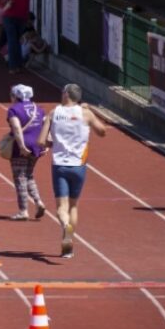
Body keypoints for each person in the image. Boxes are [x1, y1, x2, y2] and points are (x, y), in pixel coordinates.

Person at [38, 83, 107, 258]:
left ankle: (65, 226)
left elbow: (41, 141)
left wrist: (53, 144)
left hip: (59, 165)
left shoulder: (54, 113)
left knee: (62, 207)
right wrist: (91, 112)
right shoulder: (86, 113)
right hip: (79, 166)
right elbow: (102, 131)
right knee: (74, 205)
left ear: (67, 95)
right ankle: (67, 244)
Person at [0, 0, 60, 73]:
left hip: (10, 14)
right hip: (22, 16)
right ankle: (16, 64)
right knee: (15, 40)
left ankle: (14, 66)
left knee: (13, 40)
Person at [6, 84, 48, 221]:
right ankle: (38, 201)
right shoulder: (38, 108)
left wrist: (22, 146)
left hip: (22, 148)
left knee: (20, 178)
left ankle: (23, 210)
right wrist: (47, 143)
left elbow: (17, 128)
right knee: (29, 175)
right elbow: (46, 125)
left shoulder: (14, 110)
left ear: (16, 96)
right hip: (37, 146)